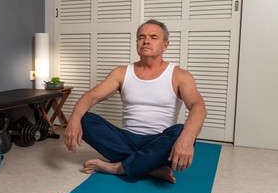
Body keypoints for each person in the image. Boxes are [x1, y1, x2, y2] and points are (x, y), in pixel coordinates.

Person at [63, 19, 207, 183]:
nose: (146, 41)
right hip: (127, 139)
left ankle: (119, 168)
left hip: (160, 143)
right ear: (137, 42)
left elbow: (199, 107)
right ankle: (150, 167)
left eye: (153, 37)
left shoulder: (179, 75)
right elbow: (91, 96)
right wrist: (74, 119)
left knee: (180, 130)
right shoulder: (121, 72)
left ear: (165, 45)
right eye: (141, 37)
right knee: (84, 118)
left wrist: (187, 137)